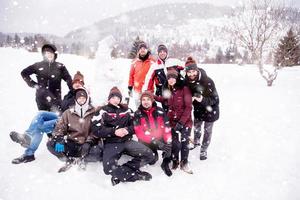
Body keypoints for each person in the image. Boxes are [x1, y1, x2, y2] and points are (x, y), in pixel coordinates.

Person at [10, 72, 101, 164]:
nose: (77, 84)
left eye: (80, 83)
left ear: (82, 85)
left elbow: (87, 110)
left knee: (39, 126)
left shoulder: (84, 95)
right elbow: (61, 107)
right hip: (62, 116)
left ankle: (29, 151)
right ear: (72, 83)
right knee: (40, 115)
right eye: (75, 82)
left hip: (70, 120)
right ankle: (27, 137)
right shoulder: (68, 95)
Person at [92, 87, 154, 186]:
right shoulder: (102, 111)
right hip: (111, 143)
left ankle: (123, 171)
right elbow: (96, 129)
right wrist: (114, 131)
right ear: (109, 99)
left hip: (126, 141)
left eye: (118, 98)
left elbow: (136, 125)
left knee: (150, 155)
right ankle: (134, 175)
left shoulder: (127, 110)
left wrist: (127, 130)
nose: (115, 100)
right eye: (113, 97)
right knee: (108, 168)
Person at [47, 88, 97, 171]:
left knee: (97, 153)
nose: (81, 100)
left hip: (86, 145)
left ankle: (83, 159)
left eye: (83, 98)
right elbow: (60, 127)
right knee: (51, 144)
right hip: (72, 143)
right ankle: (68, 160)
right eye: (79, 98)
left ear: (87, 99)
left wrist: (89, 141)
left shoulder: (93, 112)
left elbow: (95, 130)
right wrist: (60, 139)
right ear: (76, 99)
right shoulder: (68, 112)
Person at [156, 70, 193, 174]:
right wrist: (152, 97)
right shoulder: (169, 90)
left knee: (185, 141)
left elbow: (188, 107)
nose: (171, 80)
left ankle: (184, 162)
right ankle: (175, 160)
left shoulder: (184, 89)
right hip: (172, 120)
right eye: (169, 78)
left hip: (185, 120)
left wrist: (181, 122)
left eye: (173, 78)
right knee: (174, 141)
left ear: (176, 79)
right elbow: (164, 100)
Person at [185, 57, 219, 160]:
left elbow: (215, 99)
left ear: (197, 70)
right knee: (197, 128)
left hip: (210, 110)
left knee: (207, 131)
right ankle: (196, 142)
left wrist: (202, 100)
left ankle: (204, 149)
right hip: (198, 110)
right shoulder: (187, 82)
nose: (191, 74)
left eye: (193, 71)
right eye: (189, 72)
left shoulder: (208, 81)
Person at [21, 43, 72, 112]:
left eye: (51, 53)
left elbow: (68, 79)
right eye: (47, 53)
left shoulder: (60, 66)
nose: (49, 55)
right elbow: (24, 73)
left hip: (56, 99)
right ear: (44, 54)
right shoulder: (38, 65)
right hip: (41, 98)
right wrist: (34, 85)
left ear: (55, 54)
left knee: (56, 119)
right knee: (44, 118)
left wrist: (73, 90)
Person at [133, 91, 173, 176]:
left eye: (148, 99)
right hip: (146, 141)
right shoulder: (137, 114)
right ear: (141, 101)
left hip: (159, 138)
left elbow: (166, 128)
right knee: (152, 160)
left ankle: (165, 163)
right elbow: (139, 133)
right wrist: (154, 141)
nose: (146, 102)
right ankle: (151, 155)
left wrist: (168, 142)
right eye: (143, 100)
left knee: (173, 145)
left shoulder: (160, 111)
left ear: (152, 101)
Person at [128, 42, 156, 108]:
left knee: (149, 107)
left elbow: (156, 75)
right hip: (137, 90)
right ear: (138, 51)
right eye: (140, 48)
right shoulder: (134, 62)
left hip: (148, 89)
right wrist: (130, 86)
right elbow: (131, 75)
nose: (142, 50)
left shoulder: (152, 62)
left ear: (147, 50)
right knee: (138, 107)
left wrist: (158, 85)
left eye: (144, 48)